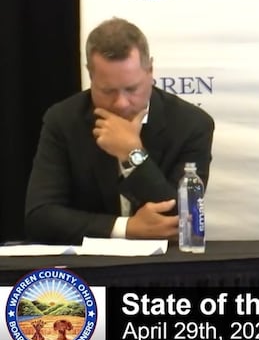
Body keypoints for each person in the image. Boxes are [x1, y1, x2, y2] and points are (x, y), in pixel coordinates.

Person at [25, 17, 215, 244]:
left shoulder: (191, 125)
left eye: (132, 89)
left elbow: (181, 220)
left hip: (162, 267)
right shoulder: (63, 121)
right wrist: (126, 228)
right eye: (107, 91)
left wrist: (133, 155)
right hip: (88, 268)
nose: (121, 103)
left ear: (150, 70)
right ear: (90, 75)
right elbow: (40, 217)